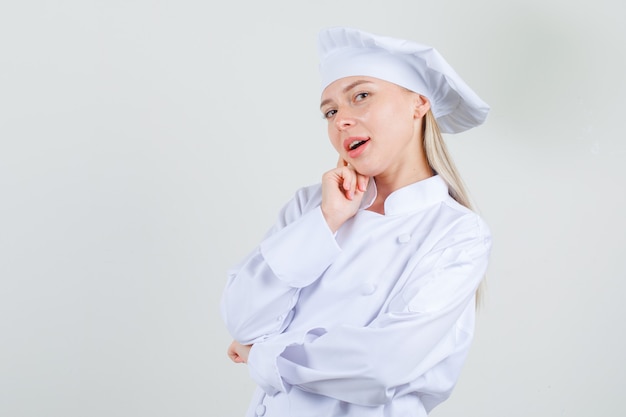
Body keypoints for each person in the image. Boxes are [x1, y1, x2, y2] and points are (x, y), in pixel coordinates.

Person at [220, 26, 492, 417]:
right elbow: (243, 317)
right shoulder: (312, 205)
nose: (341, 121)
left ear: (418, 103)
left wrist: (264, 355)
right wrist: (328, 218)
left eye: (360, 96)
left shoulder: (457, 232)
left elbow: (382, 364)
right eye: (330, 111)